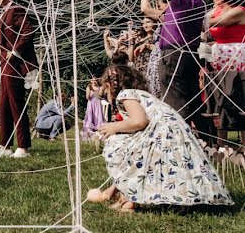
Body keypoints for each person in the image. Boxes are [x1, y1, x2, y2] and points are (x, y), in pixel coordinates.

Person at [90, 64, 233, 212]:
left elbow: (139, 121)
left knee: (117, 146)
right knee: (142, 158)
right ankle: (123, 196)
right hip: (173, 132)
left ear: (110, 85)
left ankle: (128, 200)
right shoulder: (142, 94)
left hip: (160, 132)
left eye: (104, 88)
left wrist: (114, 127)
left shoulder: (126, 94)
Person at [151, 0, 212, 139]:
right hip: (190, 54)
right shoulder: (199, 2)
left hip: (174, 55)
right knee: (192, 97)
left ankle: (180, 140)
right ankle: (208, 138)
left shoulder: (182, 0)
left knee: (174, 98)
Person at [0, 0, 37, 158]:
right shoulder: (3, 13)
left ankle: (23, 147)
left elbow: (28, 31)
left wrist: (14, 52)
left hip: (15, 63)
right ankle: (4, 145)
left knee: (16, 103)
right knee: (3, 104)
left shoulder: (16, 10)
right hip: (4, 63)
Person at [206, 0, 245, 141]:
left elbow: (213, 22)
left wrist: (211, 13)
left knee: (239, 98)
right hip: (218, 60)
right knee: (221, 100)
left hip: (237, 59)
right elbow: (204, 30)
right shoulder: (215, 10)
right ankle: (222, 143)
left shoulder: (239, 10)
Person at [139, 0, 169, 96]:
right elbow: (160, 2)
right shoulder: (164, 18)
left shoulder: (168, 16)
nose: (157, 9)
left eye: (159, 7)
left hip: (161, 61)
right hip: (156, 61)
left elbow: (145, 9)